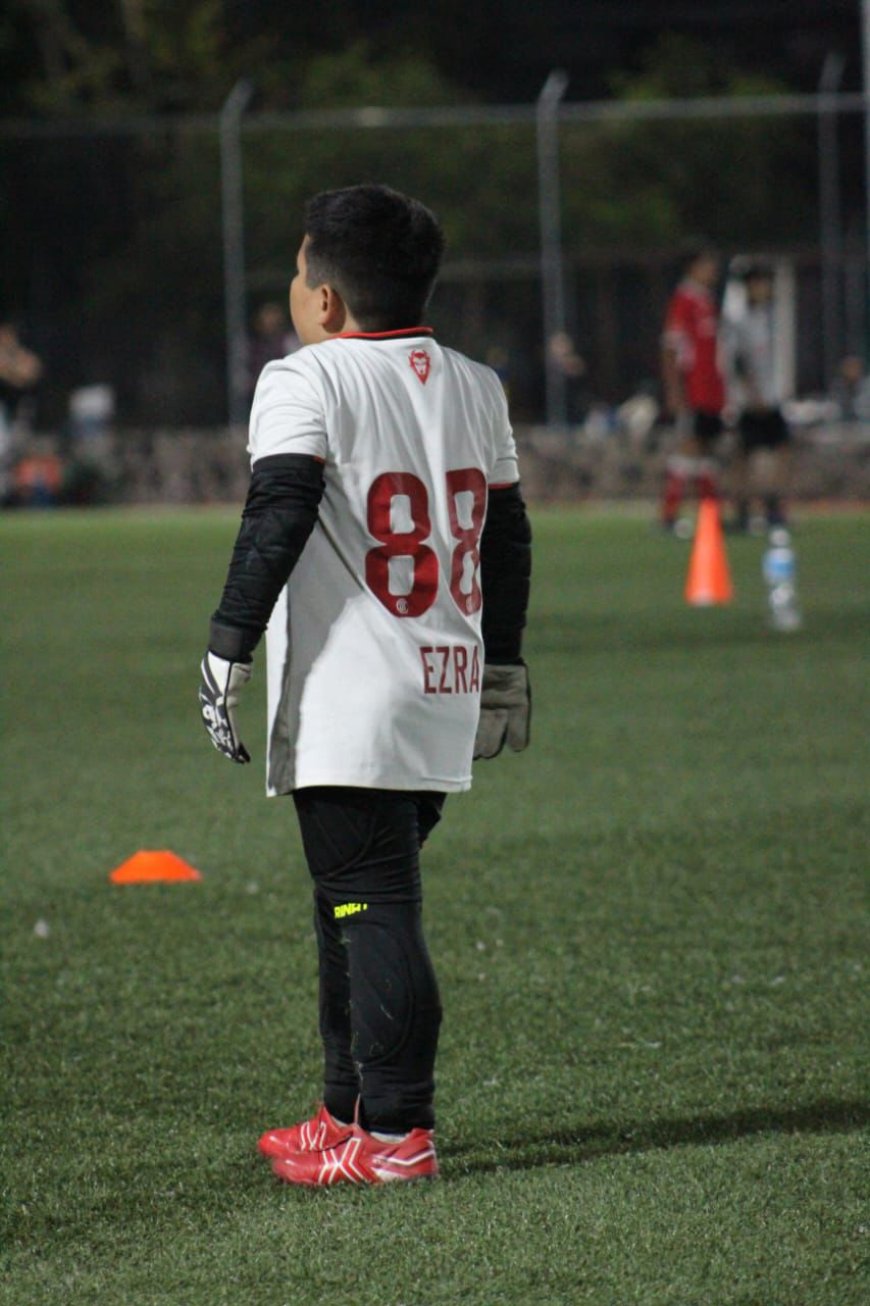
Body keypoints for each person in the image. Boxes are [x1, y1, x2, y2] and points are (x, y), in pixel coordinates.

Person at [198, 185, 532, 1188]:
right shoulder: (476, 382)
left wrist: (227, 643)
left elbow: (278, 513)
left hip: (358, 690)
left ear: (328, 299)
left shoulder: (307, 376)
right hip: (445, 677)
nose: (294, 285)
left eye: (301, 269)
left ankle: (396, 1131)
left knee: (372, 901)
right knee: (349, 894)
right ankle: (345, 1110)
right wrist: (506, 660)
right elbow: (507, 534)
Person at [721, 262, 791, 531]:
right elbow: (738, 361)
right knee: (745, 456)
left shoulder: (772, 316)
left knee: (780, 452)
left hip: (772, 397)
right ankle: (742, 509)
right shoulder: (740, 320)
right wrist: (753, 394)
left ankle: (773, 506)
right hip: (750, 401)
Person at [659, 245, 725, 532]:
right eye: (707, 264)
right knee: (688, 448)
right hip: (692, 390)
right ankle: (669, 515)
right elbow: (671, 347)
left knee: (705, 451)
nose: (713, 269)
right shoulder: (684, 300)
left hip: (711, 391)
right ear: (693, 267)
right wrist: (674, 390)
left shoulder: (706, 300)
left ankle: (710, 515)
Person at [246, 301, 300, 402]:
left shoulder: (290, 341)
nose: (270, 321)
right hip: (259, 395)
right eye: (266, 318)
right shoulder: (253, 346)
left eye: (273, 317)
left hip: (286, 393)